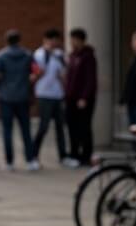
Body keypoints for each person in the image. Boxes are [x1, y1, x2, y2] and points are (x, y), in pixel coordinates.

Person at [0, 29, 39, 171]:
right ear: (19, 40)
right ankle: (30, 160)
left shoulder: (1, 56)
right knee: (25, 130)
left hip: (6, 97)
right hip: (23, 96)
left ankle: (9, 161)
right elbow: (36, 71)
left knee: (7, 130)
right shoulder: (28, 55)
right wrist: (29, 84)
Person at [32, 28, 69, 166]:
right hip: (44, 94)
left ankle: (63, 155)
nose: (54, 43)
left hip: (57, 94)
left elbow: (64, 73)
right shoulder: (39, 54)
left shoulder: (59, 54)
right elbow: (37, 73)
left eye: (56, 41)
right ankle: (34, 154)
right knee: (44, 126)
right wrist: (47, 56)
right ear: (46, 40)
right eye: (51, 40)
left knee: (60, 127)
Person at [65, 28, 98, 167]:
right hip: (71, 97)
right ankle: (74, 153)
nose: (71, 42)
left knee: (84, 127)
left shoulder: (88, 57)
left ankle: (86, 155)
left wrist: (84, 97)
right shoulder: (73, 56)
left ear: (80, 40)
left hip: (83, 99)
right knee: (72, 126)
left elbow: (90, 79)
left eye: (73, 39)